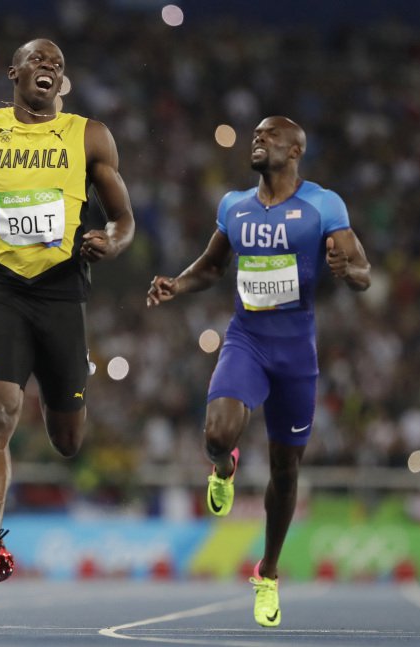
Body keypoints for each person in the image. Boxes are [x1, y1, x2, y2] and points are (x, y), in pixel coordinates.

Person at [0, 39, 135, 582]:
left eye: (58, 66)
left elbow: (123, 217)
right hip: (4, 291)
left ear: (62, 84)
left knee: (67, 440)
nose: (50, 68)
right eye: (39, 60)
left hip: (62, 293)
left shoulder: (89, 135)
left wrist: (112, 240)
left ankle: (68, 391)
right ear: (13, 71)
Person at [146, 116, 370, 627]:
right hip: (246, 340)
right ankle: (223, 467)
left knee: (285, 471)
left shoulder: (323, 204)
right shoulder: (234, 206)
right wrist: (176, 285)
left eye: (269, 136)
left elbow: (363, 272)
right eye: (256, 134)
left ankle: (267, 573)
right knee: (216, 434)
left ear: (294, 151)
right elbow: (211, 266)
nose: (257, 139)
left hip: (296, 354)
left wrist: (348, 271)